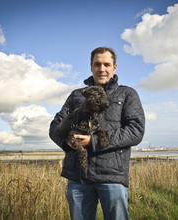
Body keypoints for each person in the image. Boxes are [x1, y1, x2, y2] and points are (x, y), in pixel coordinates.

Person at [49, 47, 145, 220]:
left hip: (112, 177)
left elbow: (135, 131)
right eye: (97, 64)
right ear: (91, 66)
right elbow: (55, 126)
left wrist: (92, 142)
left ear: (114, 67)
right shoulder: (76, 95)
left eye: (107, 64)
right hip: (78, 178)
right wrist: (66, 144)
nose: (102, 69)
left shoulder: (127, 94)